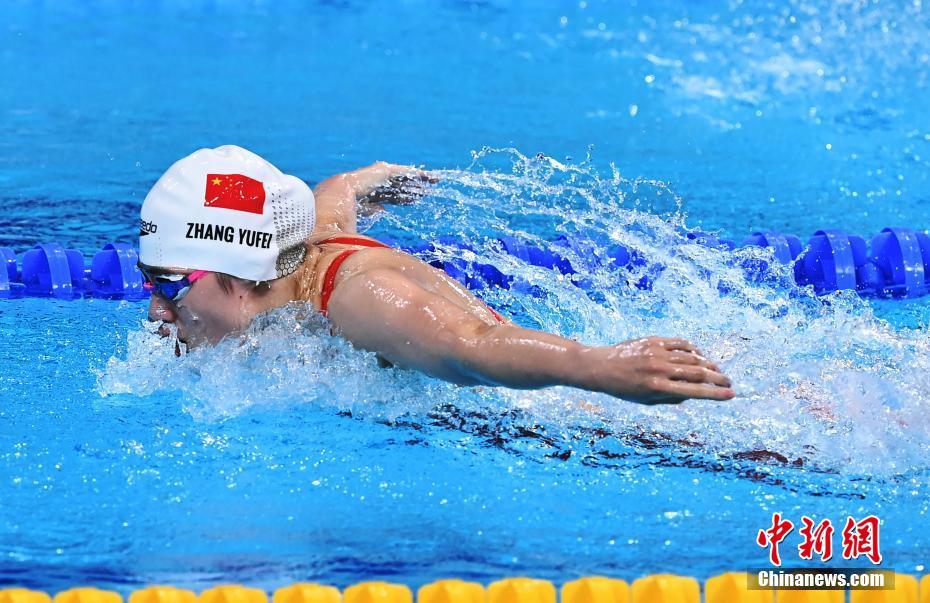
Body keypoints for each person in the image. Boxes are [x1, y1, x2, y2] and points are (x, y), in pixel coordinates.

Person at [139, 145, 735, 405]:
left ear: (239, 274)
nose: (156, 311)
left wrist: (603, 367)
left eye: (168, 286)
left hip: (589, 410)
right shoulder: (300, 246)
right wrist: (368, 179)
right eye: (149, 282)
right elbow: (335, 193)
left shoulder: (359, 299)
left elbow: (470, 347)